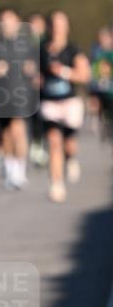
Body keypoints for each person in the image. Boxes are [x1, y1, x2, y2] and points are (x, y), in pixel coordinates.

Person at [39, 11, 91, 202]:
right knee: (54, 142)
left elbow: (84, 76)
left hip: (70, 103)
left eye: (61, 23)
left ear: (67, 26)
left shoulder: (73, 50)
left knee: (69, 144)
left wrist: (63, 72)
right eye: (54, 23)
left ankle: (71, 158)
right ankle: (56, 183)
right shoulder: (41, 50)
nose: (57, 28)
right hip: (49, 103)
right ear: (49, 26)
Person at [0, 8, 36, 191]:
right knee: (6, 133)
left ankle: (20, 170)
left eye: (10, 19)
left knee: (18, 129)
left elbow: (37, 67)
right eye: (3, 20)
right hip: (1, 93)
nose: (6, 24)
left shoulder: (27, 45)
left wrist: (32, 70)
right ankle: (10, 168)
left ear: (18, 22)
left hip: (22, 93)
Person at [27, 13, 48, 166]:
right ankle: (36, 147)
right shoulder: (24, 43)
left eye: (38, 24)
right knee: (35, 118)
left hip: (48, 88)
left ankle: (43, 146)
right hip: (29, 88)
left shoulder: (49, 42)